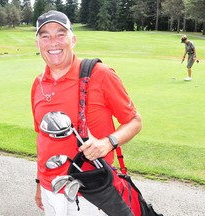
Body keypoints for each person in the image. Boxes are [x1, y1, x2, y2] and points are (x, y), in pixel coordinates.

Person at [31, 10, 142, 216]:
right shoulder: (38, 83)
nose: (53, 42)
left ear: (73, 39)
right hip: (50, 189)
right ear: (38, 44)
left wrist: (107, 142)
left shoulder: (100, 74)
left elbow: (134, 121)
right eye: (45, 36)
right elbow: (42, 138)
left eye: (60, 34)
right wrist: (40, 182)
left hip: (89, 193)